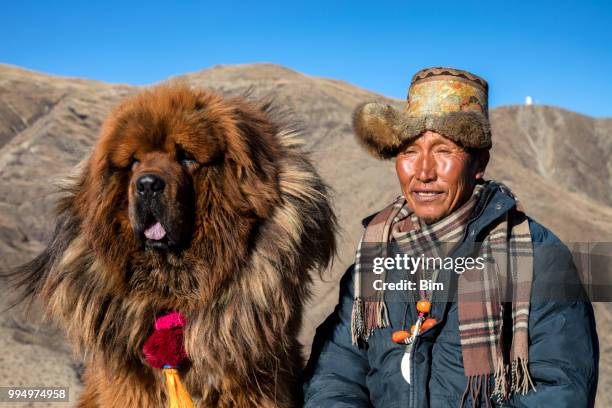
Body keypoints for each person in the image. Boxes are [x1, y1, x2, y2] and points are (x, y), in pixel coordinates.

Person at [303, 67, 598, 407]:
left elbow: (559, 391)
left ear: (478, 163)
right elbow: (336, 374)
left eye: (444, 151)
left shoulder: (540, 257)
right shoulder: (376, 254)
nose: (424, 172)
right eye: (410, 151)